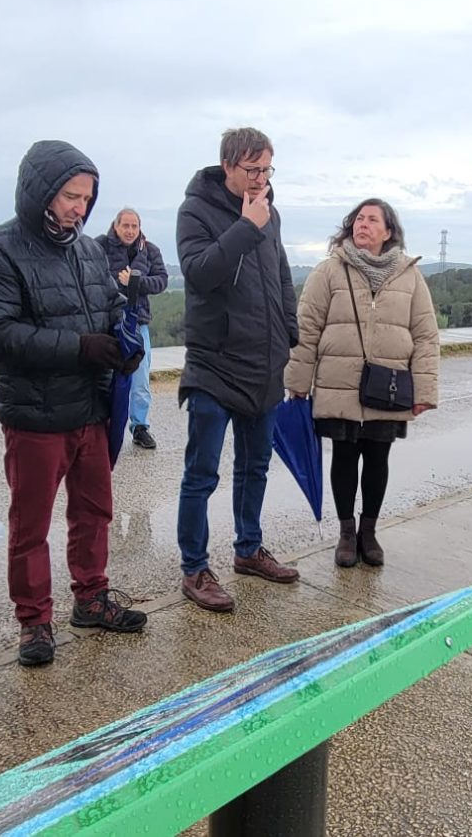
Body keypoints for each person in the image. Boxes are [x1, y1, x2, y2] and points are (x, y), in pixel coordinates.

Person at [0, 140, 146, 666]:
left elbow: (112, 306)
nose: (80, 208)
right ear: (40, 192)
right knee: (31, 525)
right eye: (71, 196)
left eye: (87, 198)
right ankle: (34, 622)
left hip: (91, 408)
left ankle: (91, 598)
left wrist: (123, 340)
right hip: (36, 416)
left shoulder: (89, 250)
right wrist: (79, 347)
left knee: (94, 512)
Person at [175, 127, 300, 613]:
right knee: (202, 473)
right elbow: (201, 273)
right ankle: (195, 568)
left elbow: (281, 276)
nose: (261, 178)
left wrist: (288, 334)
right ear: (227, 166)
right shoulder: (195, 211)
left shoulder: (271, 212)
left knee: (255, 467)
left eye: (267, 169)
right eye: (252, 170)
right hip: (214, 365)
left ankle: (248, 550)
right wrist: (246, 226)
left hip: (264, 362)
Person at [284, 199, 439, 567]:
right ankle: (346, 532)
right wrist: (298, 380)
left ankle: (369, 532)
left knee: (377, 458)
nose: (362, 224)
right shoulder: (328, 271)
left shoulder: (409, 275)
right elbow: (305, 330)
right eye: (358, 218)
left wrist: (425, 391)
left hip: (388, 383)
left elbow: (426, 334)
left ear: (388, 232)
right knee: (344, 455)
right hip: (339, 382)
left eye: (372, 219)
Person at [100, 207, 169, 449]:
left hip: (138, 322)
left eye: (134, 226)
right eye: (125, 225)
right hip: (108, 322)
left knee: (140, 380)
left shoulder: (150, 251)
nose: (130, 230)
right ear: (115, 226)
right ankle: (102, 427)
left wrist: (135, 282)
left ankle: (140, 427)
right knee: (104, 377)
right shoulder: (100, 247)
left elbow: (161, 280)